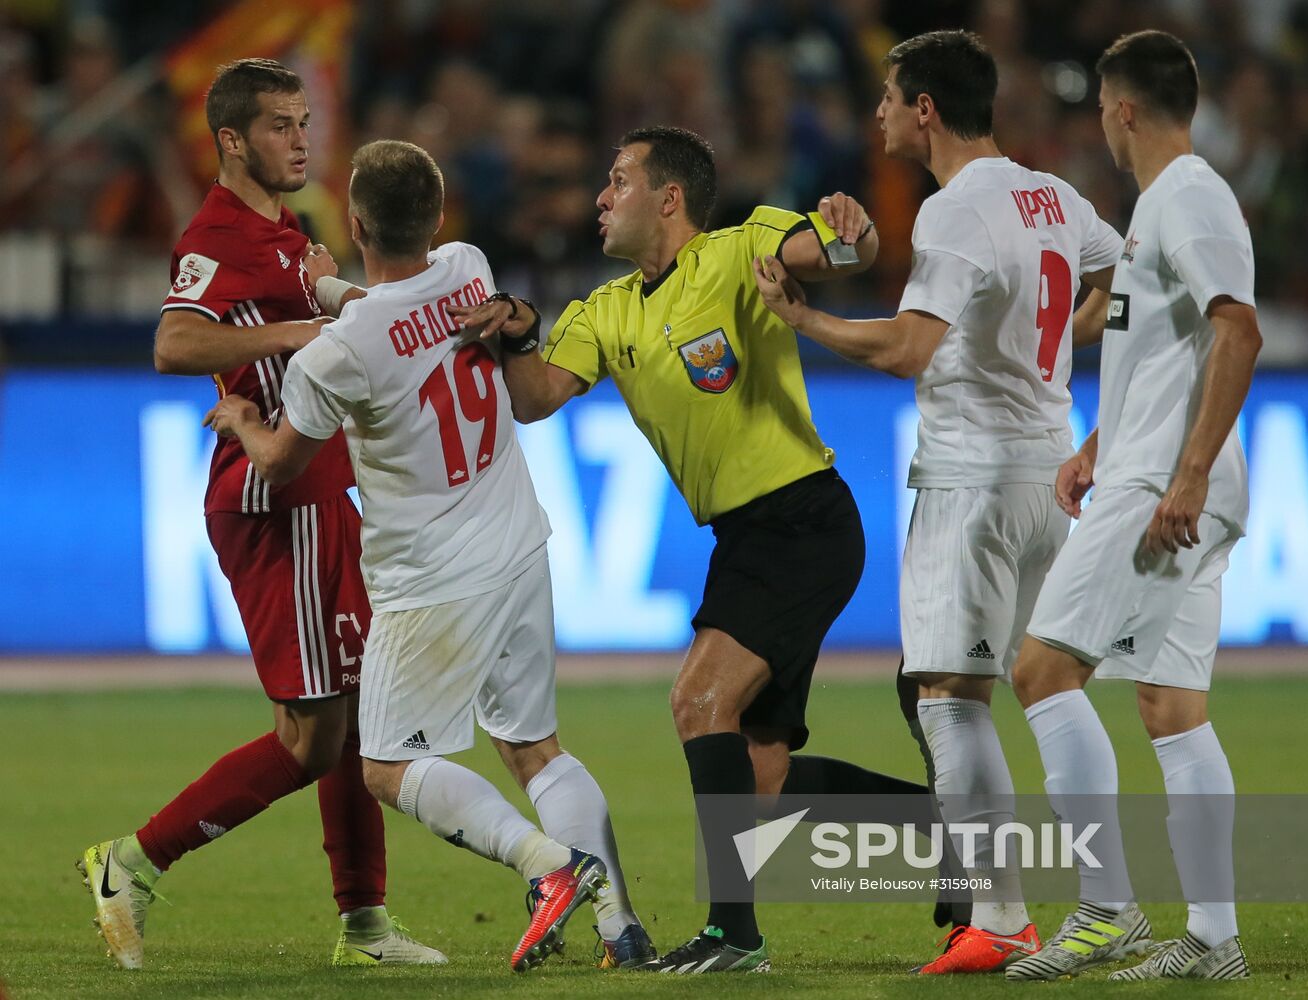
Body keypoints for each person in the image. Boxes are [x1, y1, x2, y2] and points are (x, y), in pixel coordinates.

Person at [449, 124, 929, 975]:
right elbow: (534, 400)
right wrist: (515, 334)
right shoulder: (605, 309)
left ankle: (731, 935)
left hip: (802, 520)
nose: (600, 196)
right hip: (748, 537)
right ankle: (946, 829)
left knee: (697, 701)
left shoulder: (739, 249)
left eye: (618, 179)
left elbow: (837, 251)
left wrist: (854, 228)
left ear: (668, 198)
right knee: (759, 776)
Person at [206, 138, 653, 973]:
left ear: (357, 218)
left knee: (387, 765)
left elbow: (280, 462)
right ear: (439, 217)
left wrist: (239, 423)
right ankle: (619, 926)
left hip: (432, 578)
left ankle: (549, 867)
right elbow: (393, 304)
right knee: (535, 749)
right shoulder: (469, 270)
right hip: (520, 542)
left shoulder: (336, 355)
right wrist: (329, 281)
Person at [753, 29, 1125, 975]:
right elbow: (1119, 280)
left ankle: (999, 919)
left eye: (886, 96)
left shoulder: (954, 212)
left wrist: (804, 319)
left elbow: (911, 348)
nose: (875, 112)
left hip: (972, 481)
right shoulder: (1054, 194)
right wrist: (1057, 349)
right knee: (1052, 685)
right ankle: (1109, 903)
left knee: (948, 700)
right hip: (1049, 470)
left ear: (924, 108)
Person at [77, 59, 442, 970]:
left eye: (304, 121)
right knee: (316, 736)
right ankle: (131, 862)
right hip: (276, 500)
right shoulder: (217, 232)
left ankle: (364, 926)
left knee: (358, 719)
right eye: (280, 125)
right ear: (233, 140)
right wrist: (292, 331)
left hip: (323, 493)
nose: (301, 139)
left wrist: (327, 295)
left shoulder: (292, 232)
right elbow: (174, 340)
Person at [1004, 30, 1260, 982]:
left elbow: (1238, 329)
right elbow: (1175, 354)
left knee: (1038, 672)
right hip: (1152, 468)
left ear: (1119, 110)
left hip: (1163, 486)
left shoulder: (1185, 197)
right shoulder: (1162, 206)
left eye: (1100, 114)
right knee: (1171, 707)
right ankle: (1214, 938)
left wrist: (1180, 474)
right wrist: (1095, 445)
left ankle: (1105, 909)